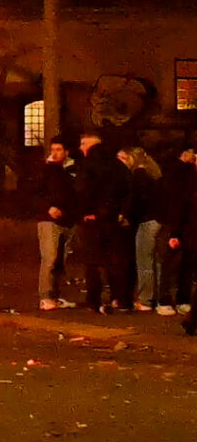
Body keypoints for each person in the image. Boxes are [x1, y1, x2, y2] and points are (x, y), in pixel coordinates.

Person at [73, 131, 131, 313]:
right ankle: (120, 298)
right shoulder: (118, 165)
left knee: (92, 261)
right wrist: (121, 212)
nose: (80, 148)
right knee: (116, 260)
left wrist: (87, 212)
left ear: (87, 144)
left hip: (93, 219)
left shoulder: (87, 164)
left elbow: (82, 191)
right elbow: (128, 190)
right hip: (113, 219)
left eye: (82, 144)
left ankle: (94, 299)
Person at [118, 146, 162, 312]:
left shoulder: (138, 175)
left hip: (146, 221)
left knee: (144, 261)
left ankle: (145, 299)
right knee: (155, 262)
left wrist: (126, 216)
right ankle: (158, 297)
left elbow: (136, 199)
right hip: (157, 220)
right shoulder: (153, 174)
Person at [37, 136, 78, 311]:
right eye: (52, 150)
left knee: (62, 260)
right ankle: (46, 296)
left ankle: (57, 294)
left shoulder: (72, 169)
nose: (54, 153)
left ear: (66, 152)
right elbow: (37, 192)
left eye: (58, 150)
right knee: (50, 258)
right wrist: (48, 207)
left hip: (68, 219)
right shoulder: (46, 169)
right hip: (49, 219)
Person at [156, 147, 195, 318]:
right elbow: (176, 204)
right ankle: (168, 300)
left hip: (185, 225)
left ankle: (178, 299)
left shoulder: (182, 175)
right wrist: (174, 232)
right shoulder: (180, 177)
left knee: (184, 264)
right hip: (180, 225)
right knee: (173, 264)